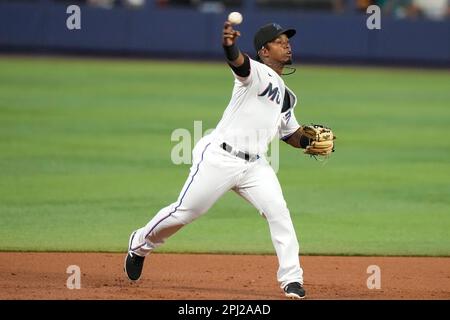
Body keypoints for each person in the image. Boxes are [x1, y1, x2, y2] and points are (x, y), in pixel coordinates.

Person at [124, 20, 330, 299]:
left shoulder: (287, 95)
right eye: (279, 42)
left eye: (287, 41)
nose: (287, 45)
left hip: (255, 165)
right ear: (264, 51)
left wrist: (309, 141)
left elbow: (289, 133)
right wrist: (229, 44)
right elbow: (238, 63)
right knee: (187, 211)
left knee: (278, 212)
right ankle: (139, 244)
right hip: (219, 157)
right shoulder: (254, 73)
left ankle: (291, 280)